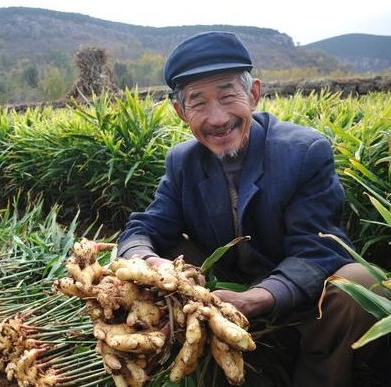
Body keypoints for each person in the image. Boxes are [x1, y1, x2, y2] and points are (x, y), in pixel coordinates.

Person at [117, 31, 381, 387]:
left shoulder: (304, 152)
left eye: (228, 96)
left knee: (359, 282)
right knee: (155, 258)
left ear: (253, 94)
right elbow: (146, 227)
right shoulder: (183, 161)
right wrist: (150, 263)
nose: (217, 118)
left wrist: (258, 297)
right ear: (180, 112)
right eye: (199, 103)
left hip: (301, 299)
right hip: (221, 297)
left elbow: (318, 249)